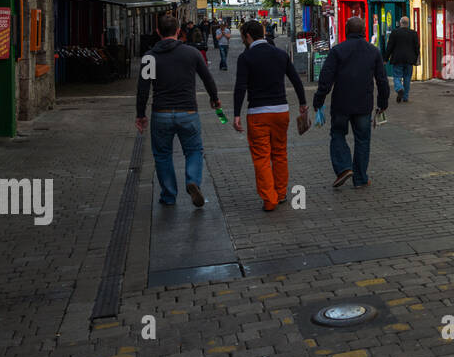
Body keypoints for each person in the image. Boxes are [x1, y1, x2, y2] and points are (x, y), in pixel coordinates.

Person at [135, 13, 223, 207]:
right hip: (188, 112)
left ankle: (168, 195)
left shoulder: (149, 57)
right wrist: (214, 98)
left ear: (158, 32)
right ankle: (192, 180)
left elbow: (143, 88)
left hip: (161, 113)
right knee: (193, 150)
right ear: (178, 32)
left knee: (162, 155)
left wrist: (140, 114)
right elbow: (207, 78)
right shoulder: (191, 53)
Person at [233, 19, 308, 212]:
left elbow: (240, 87)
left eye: (243, 37)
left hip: (258, 113)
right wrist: (302, 103)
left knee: (262, 157)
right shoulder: (280, 54)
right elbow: (296, 80)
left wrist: (236, 114)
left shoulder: (246, 58)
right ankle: (281, 192)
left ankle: (269, 199)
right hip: (281, 111)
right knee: (280, 153)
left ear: (248, 36)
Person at [313, 16, 390, 188]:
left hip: (341, 102)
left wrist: (318, 99)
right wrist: (382, 103)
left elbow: (326, 78)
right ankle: (361, 178)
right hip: (364, 103)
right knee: (362, 139)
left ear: (346, 31)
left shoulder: (337, 50)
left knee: (338, 134)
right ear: (364, 31)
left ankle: (343, 168)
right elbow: (382, 80)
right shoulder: (373, 51)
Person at [383, 15, 421, 103]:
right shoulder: (414, 33)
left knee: (397, 76)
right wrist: (417, 58)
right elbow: (417, 47)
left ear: (400, 23)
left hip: (397, 59)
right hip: (409, 60)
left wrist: (385, 58)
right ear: (408, 24)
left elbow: (389, 47)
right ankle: (405, 97)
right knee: (407, 78)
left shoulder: (394, 32)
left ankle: (399, 88)